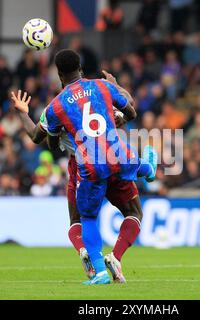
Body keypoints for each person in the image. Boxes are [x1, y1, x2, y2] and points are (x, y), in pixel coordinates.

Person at [11, 49, 158, 285]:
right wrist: (116, 87)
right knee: (131, 171)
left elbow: (38, 138)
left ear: (58, 74)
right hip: (116, 151)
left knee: (87, 218)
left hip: (88, 163)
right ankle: (148, 169)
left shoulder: (56, 106)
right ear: (81, 67)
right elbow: (131, 110)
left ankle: (99, 272)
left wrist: (23, 113)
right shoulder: (102, 86)